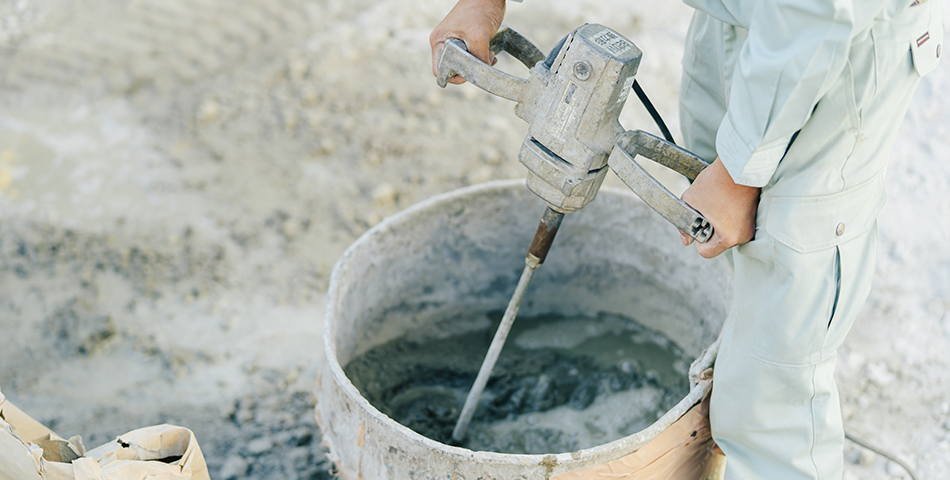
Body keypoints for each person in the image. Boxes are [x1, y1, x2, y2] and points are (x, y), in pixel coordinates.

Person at [430, 0, 943, 478]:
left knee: (771, 397)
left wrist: (740, 173)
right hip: (739, 22)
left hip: (826, 50)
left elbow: (817, 11)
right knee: (730, 268)